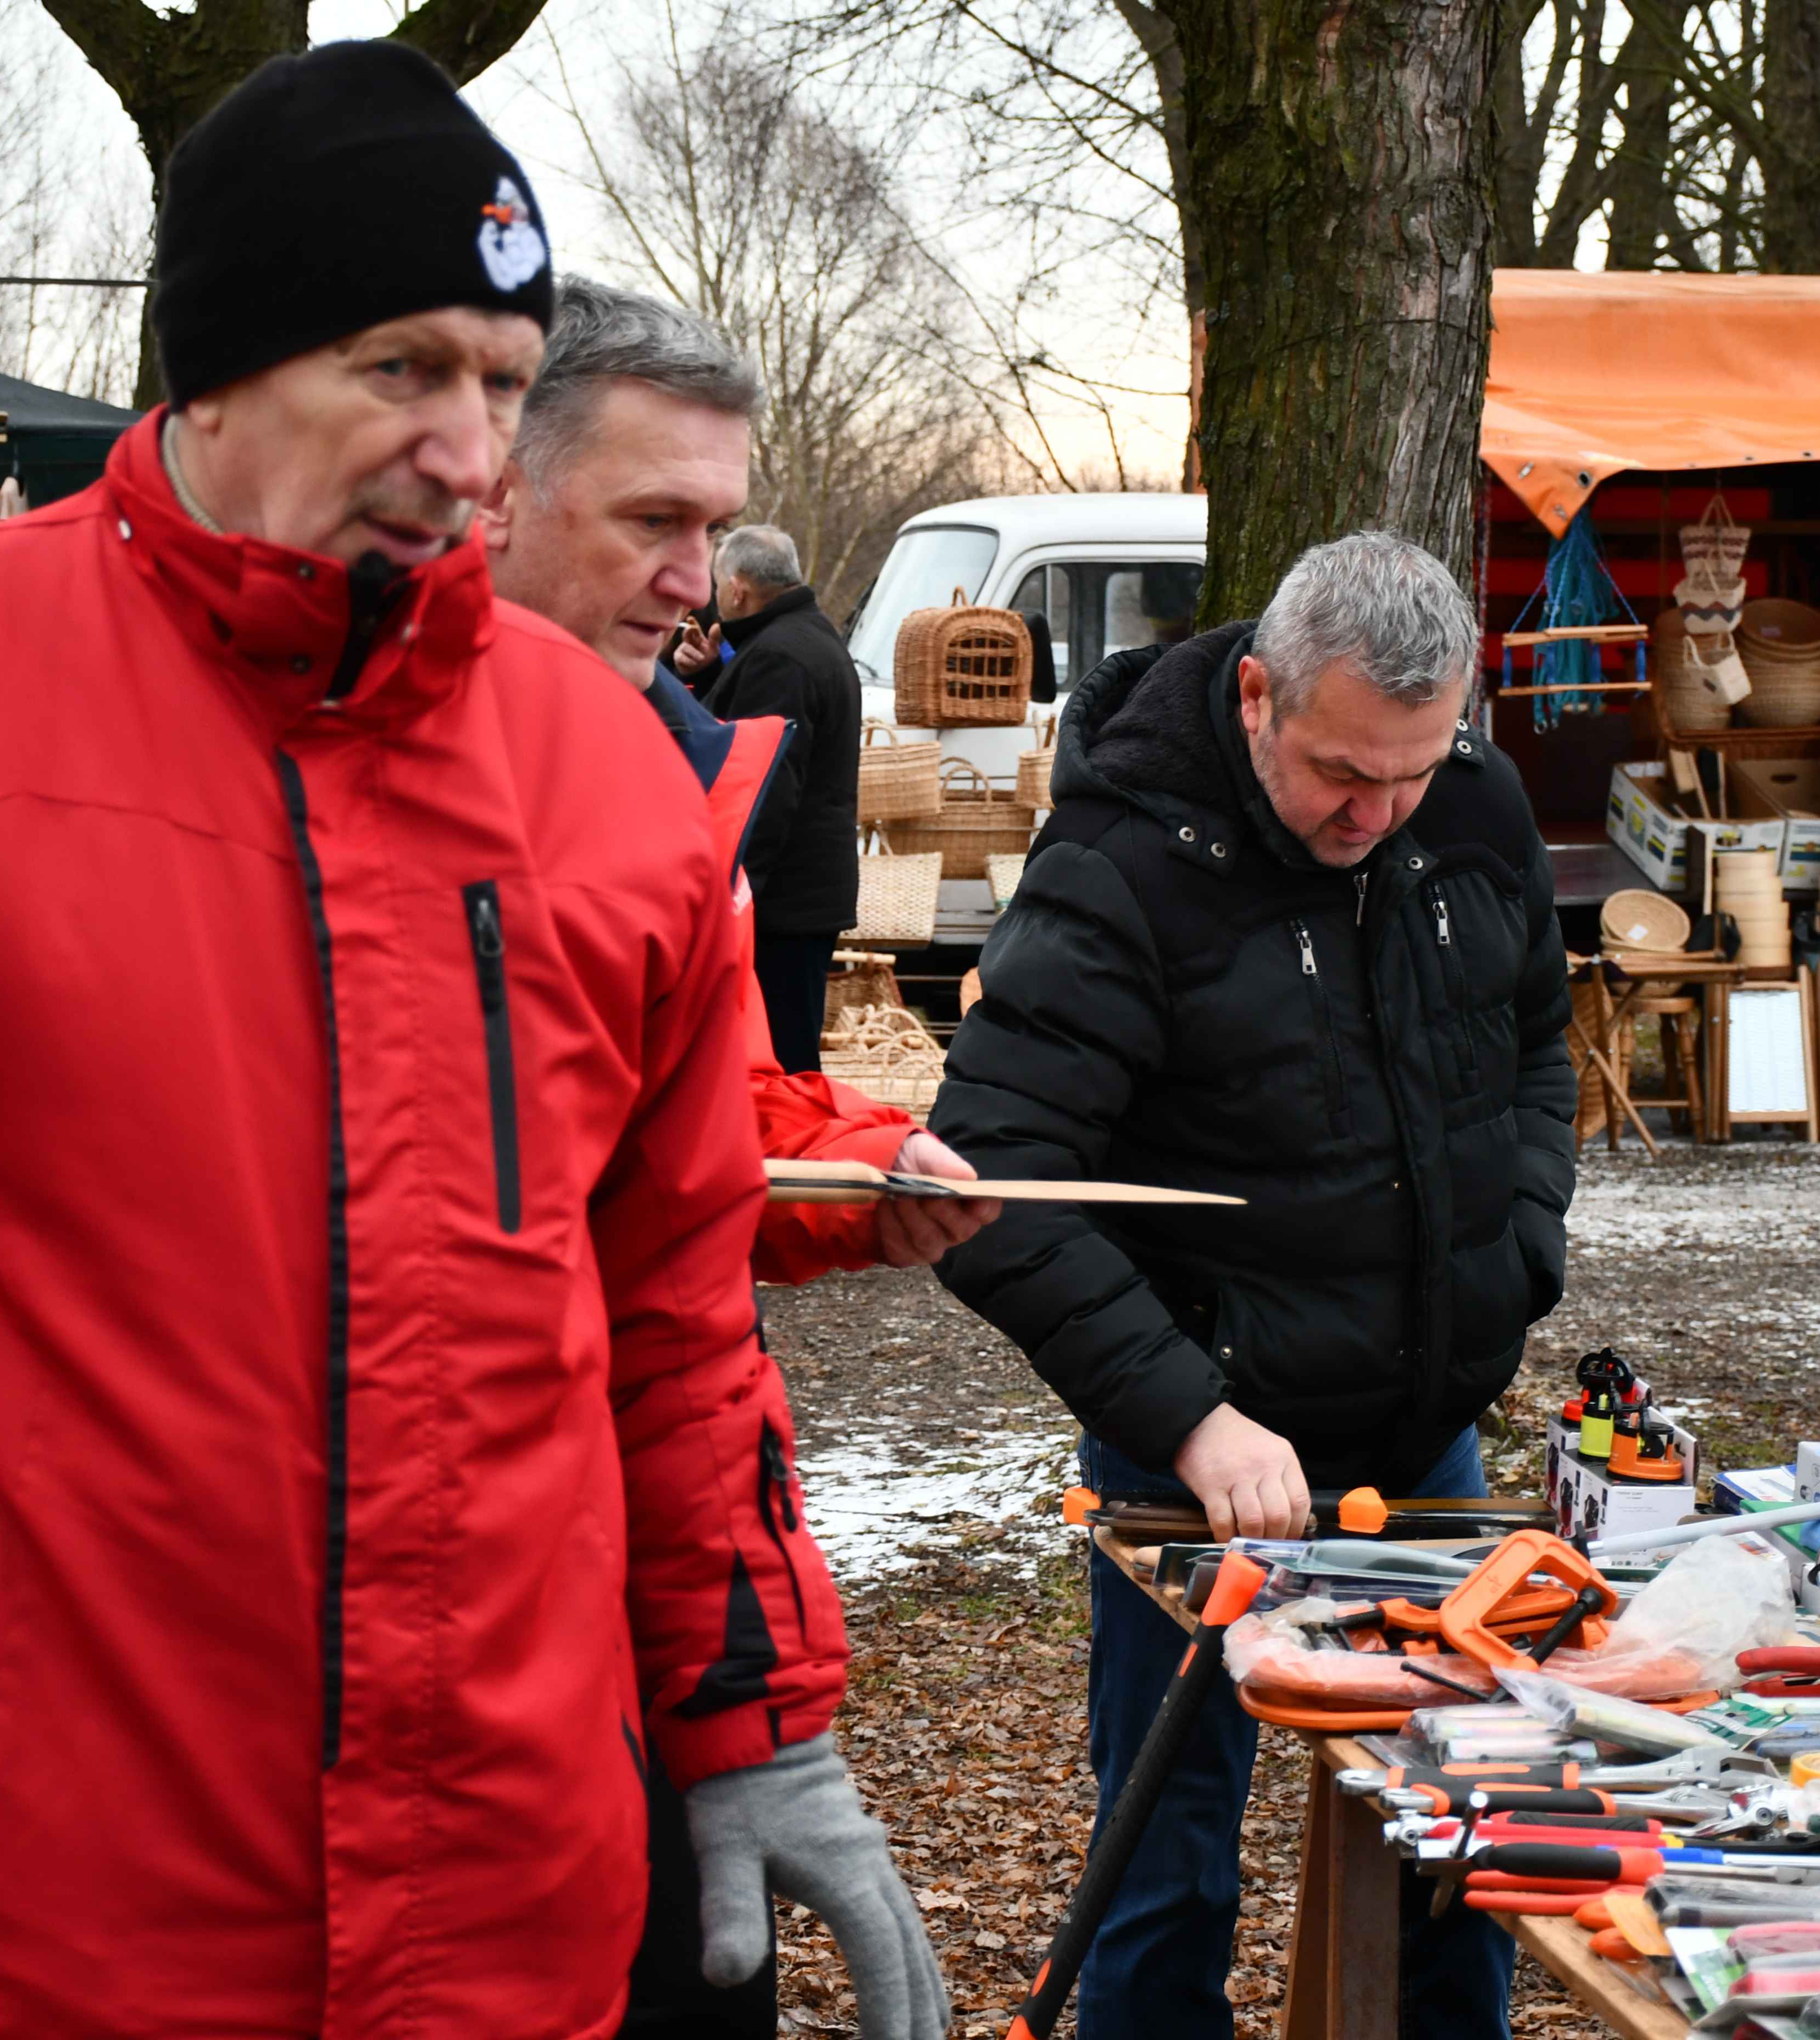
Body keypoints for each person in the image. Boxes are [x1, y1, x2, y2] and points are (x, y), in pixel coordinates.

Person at [0, 43, 944, 2040]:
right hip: (43, 1912)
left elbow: (670, 1319)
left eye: (497, 377)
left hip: (502, 1911)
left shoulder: (610, 778)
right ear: (210, 368)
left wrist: (753, 1722)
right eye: (401, 368)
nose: (469, 447)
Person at [929, 531, 1577, 2040]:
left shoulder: (1468, 806)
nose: (1382, 811)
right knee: (1170, 1857)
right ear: (1253, 697)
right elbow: (993, 1174)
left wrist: (1521, 1242)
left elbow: (1540, 1044)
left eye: (1413, 772)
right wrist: (1192, 1411)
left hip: (1426, 1434)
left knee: (1455, 1836)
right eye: (1344, 773)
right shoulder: (1124, 863)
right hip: (1198, 1462)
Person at [484, 272, 990, 2038]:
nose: (697, 577)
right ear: (492, 485)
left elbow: (673, 1210)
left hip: (615, 1614)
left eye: (712, 527)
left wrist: (864, 1164)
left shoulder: (670, 779)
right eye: (652, 519)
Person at [696, 522, 862, 1072]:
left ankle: (793, 1158)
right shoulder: (813, 636)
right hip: (805, 898)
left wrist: (731, 894)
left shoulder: (778, 658)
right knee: (791, 1046)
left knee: (783, 1059)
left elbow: (766, 786)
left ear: (738, 588)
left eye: (720, 587)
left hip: (780, 906)